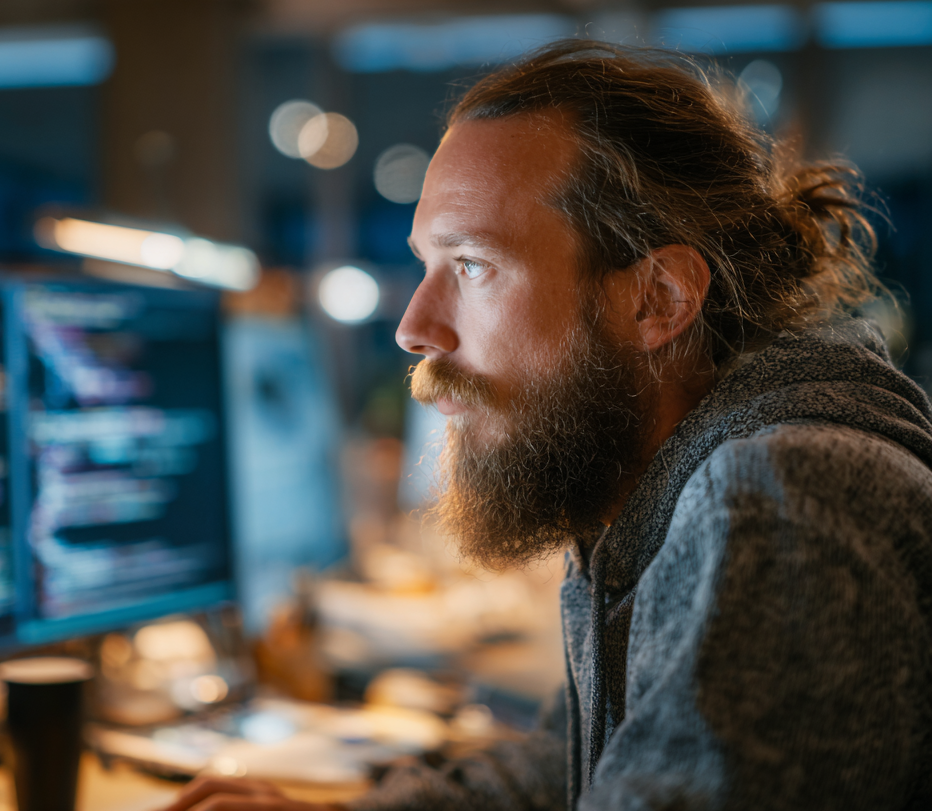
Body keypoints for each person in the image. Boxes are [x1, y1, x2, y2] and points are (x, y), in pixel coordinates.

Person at [162, 40, 932, 810]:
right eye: (427, 264)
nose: (412, 327)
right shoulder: (647, 496)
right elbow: (570, 770)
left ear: (658, 299)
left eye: (471, 266)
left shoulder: (786, 498)